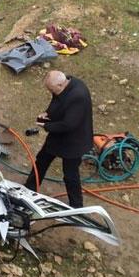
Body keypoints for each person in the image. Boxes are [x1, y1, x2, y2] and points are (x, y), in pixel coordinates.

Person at [24, 70, 93, 208]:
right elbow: (56, 100)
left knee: (70, 175)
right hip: (58, 136)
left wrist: (47, 125)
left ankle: (76, 206)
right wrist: (48, 113)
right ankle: (29, 189)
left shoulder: (78, 95)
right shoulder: (64, 85)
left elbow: (69, 124)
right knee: (41, 161)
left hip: (74, 142)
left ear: (61, 85)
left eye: (52, 89)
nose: (51, 92)